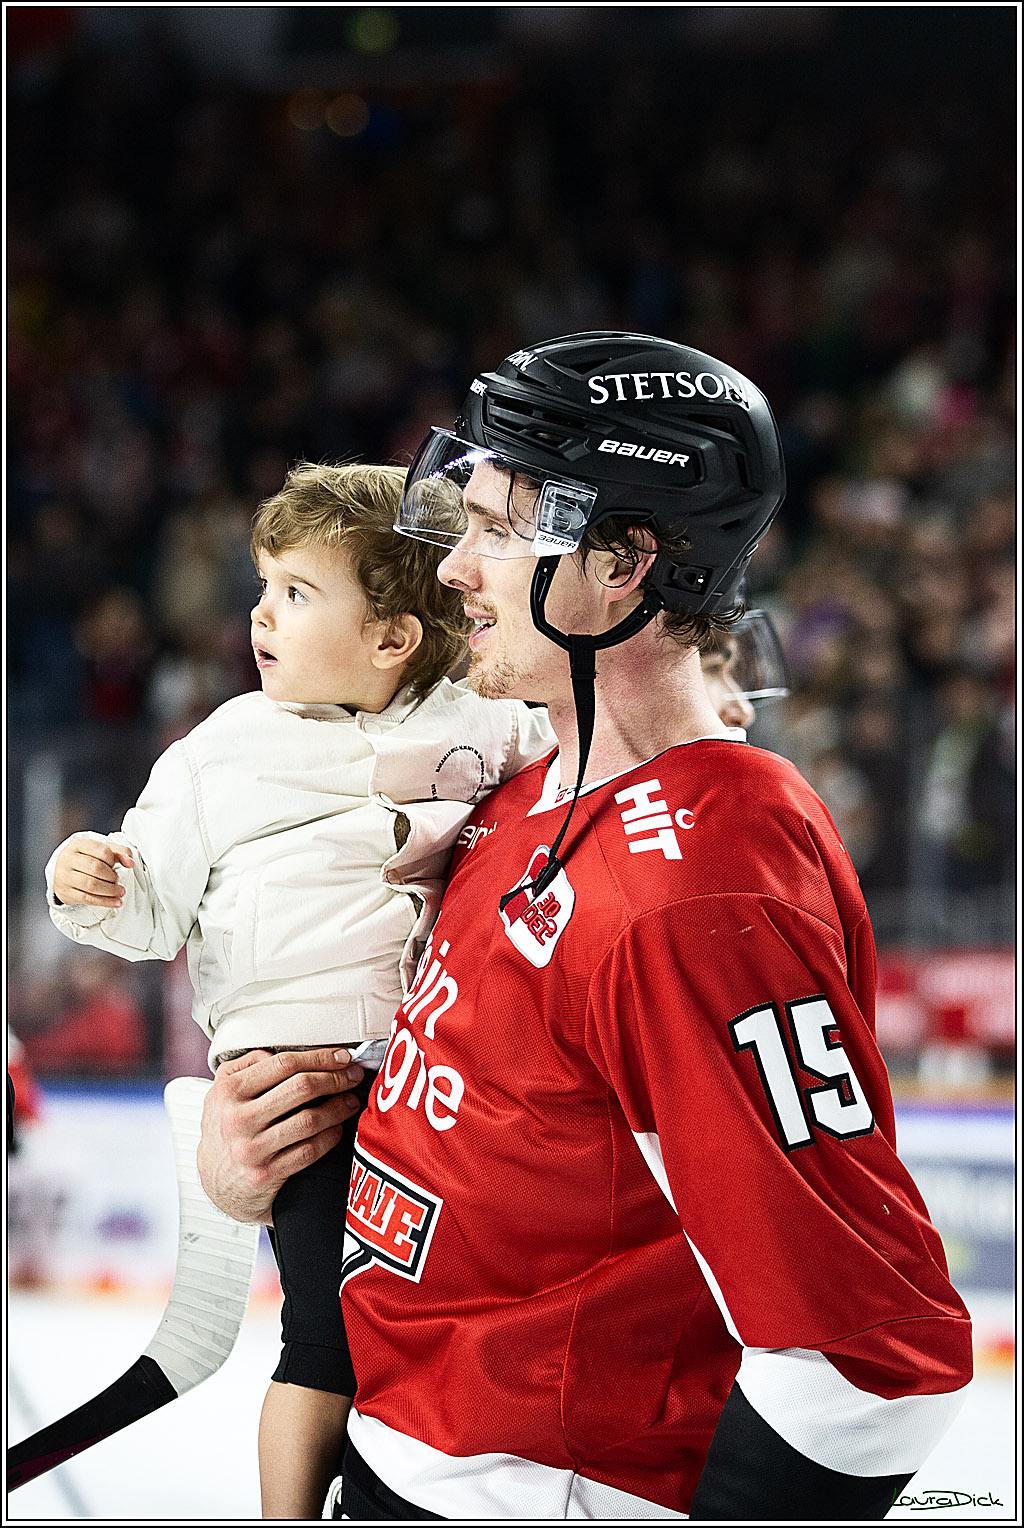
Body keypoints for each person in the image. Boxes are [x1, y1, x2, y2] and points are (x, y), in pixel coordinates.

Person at [197, 335, 973, 1522]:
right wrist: (256, 1155)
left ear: (622, 562)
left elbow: (865, 1358)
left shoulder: (699, 888)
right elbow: (509, 1132)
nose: (454, 566)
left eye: (501, 529)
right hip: (409, 1452)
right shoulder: (524, 786)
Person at [44, 461, 554, 1520]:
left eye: (294, 592)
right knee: (326, 1336)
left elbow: (584, 753)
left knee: (435, 1320)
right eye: (264, 585)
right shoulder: (221, 752)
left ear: (392, 640)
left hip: (437, 1079)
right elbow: (149, 909)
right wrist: (92, 885)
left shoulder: (484, 722)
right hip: (300, 1093)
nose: (259, 613)